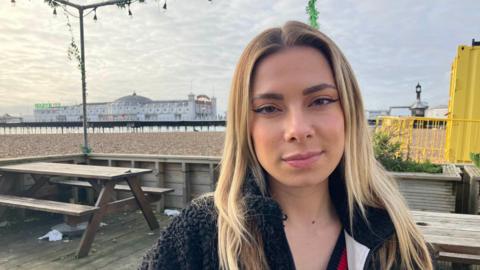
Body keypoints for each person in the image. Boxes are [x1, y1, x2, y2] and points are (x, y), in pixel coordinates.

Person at [139, 20, 434, 270]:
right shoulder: (202, 232)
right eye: (269, 108)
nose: (298, 130)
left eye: (320, 101)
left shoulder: (395, 242)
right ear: (245, 126)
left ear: (349, 113)